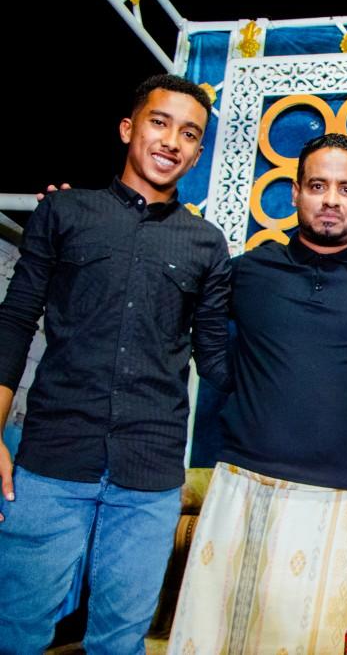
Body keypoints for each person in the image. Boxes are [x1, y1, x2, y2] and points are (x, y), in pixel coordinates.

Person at [0, 75, 230, 653]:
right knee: (15, 629)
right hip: (51, 461)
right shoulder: (64, 212)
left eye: (189, 134)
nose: (172, 141)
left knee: (121, 641)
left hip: (149, 474)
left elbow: (216, 361)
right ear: (129, 129)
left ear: (198, 152)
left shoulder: (207, 244)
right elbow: (15, 321)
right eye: (160, 122)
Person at [167, 134, 347, 654]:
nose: (331, 200)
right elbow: (186, 322)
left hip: (346, 500)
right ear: (296, 192)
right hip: (244, 487)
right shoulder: (248, 272)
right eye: (318, 186)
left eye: (346, 189)